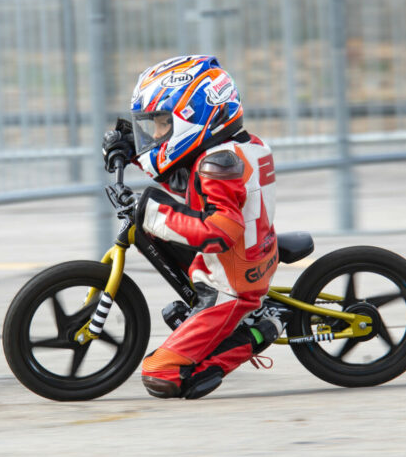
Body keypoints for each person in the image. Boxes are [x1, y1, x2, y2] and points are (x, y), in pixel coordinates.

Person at [102, 55, 288, 399]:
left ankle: (262, 330)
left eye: (161, 124)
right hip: (246, 255)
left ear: (195, 117)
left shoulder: (219, 163)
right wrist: (133, 150)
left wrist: (152, 212)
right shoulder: (232, 148)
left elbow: (220, 231)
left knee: (161, 376)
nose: (155, 134)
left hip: (232, 283)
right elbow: (185, 182)